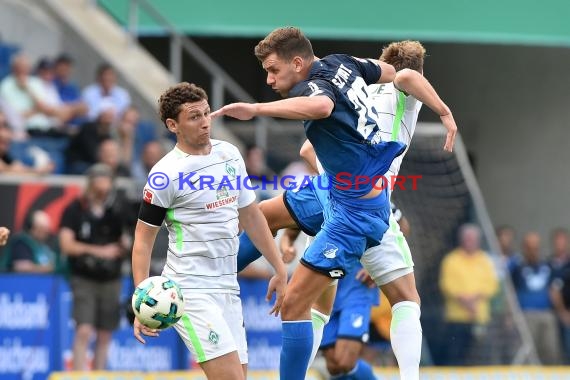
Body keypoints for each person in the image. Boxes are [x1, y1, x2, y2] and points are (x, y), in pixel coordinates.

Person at [233, 39, 457, 379]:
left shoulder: (357, 84)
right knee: (406, 300)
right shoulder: (404, 88)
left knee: (307, 298)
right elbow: (408, 77)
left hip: (331, 190)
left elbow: (309, 150)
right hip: (366, 204)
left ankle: (211, 281)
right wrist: (444, 112)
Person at [131, 82, 287, 380]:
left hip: (228, 285)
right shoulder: (165, 175)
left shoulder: (229, 154)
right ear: (172, 124)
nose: (205, 122)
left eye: (206, 113)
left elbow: (252, 216)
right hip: (190, 289)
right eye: (194, 117)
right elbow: (142, 240)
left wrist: (278, 267)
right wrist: (143, 298)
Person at [59, 163, 131, 370]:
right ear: (90, 183)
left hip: (111, 276)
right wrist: (99, 251)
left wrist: (125, 243)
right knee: (84, 330)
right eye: (98, 180)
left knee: (105, 332)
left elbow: (131, 235)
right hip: (84, 276)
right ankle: (79, 374)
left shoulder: (119, 208)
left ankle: (99, 374)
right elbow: (66, 245)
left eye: (106, 179)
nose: (102, 185)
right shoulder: (75, 208)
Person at [439, 224, 499, 365]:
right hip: (456, 318)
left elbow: (492, 285)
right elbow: (446, 284)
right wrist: (465, 300)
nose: (470, 242)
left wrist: (475, 298)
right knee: (456, 357)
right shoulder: (451, 260)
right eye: (467, 238)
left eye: (472, 239)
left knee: (480, 358)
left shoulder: (486, 260)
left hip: (480, 318)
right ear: (461, 240)